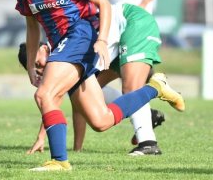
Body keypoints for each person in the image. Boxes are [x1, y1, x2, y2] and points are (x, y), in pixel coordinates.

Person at [10, 0, 184, 171]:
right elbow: (31, 26)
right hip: (62, 45)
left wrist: (102, 41)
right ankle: (156, 87)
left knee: (44, 93)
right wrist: (29, 66)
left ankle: (60, 162)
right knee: (100, 120)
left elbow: (102, 3)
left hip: (81, 35)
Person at [18, 39, 165, 155]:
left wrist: (41, 137)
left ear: (44, 49)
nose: (41, 70)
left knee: (129, 89)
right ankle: (143, 113)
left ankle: (148, 140)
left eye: (38, 64)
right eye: (36, 70)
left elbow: (52, 98)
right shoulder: (59, 50)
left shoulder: (60, 51)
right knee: (86, 102)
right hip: (110, 50)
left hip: (125, 31)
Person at [94, 0, 165, 154]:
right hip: (115, 29)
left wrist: (143, 5)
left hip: (136, 26)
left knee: (131, 86)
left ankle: (148, 144)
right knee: (92, 84)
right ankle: (146, 115)